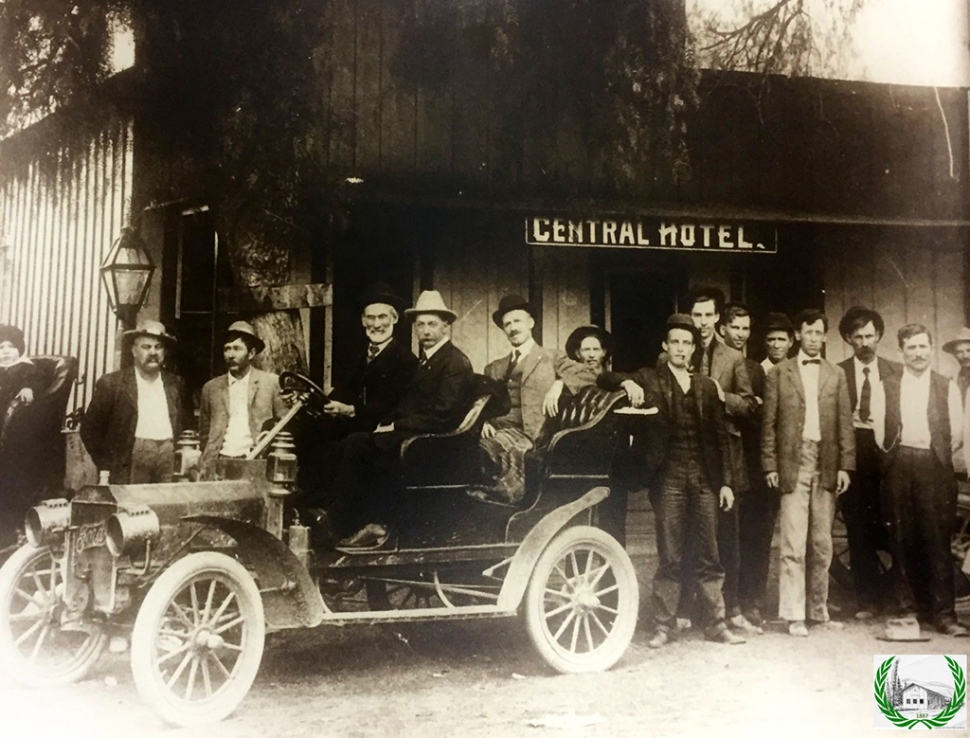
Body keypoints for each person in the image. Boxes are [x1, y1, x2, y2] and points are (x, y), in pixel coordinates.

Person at [599, 314, 744, 647]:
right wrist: (627, 383)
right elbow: (605, 377)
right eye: (675, 342)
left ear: (694, 348)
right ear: (665, 346)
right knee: (670, 554)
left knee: (710, 552)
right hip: (669, 478)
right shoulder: (649, 378)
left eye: (687, 343)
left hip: (705, 478)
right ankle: (664, 625)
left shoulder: (707, 386)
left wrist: (724, 483)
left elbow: (720, 438)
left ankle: (716, 623)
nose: (681, 348)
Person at [326, 290, 474, 547]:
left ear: (446, 326)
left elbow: (444, 415)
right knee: (353, 440)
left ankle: (350, 525)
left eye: (432, 324)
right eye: (420, 324)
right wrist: (388, 421)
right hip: (419, 436)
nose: (425, 330)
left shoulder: (454, 362)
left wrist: (396, 425)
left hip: (435, 445)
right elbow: (408, 404)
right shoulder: (427, 361)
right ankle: (355, 520)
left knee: (357, 445)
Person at [761, 308, 855, 637]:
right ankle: (793, 613)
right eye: (809, 332)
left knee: (821, 542)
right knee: (792, 541)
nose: (814, 338)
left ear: (824, 336)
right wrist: (770, 464)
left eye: (819, 333)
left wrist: (846, 465)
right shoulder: (779, 373)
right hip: (793, 461)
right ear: (798, 335)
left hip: (826, 462)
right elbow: (768, 425)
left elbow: (845, 423)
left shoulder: (835, 374)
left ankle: (818, 609)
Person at [881, 324, 968, 637]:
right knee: (902, 539)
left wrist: (933, 456)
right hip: (900, 462)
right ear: (902, 352)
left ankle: (944, 614)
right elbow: (881, 432)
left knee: (937, 538)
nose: (917, 353)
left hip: (934, 465)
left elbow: (955, 434)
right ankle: (908, 611)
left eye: (922, 347)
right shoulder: (888, 385)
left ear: (931, 349)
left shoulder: (946, 386)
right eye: (911, 348)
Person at [681, 287, 758, 635]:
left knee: (729, 536)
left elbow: (747, 405)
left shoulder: (733, 357)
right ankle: (688, 608)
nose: (702, 323)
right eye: (696, 316)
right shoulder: (677, 351)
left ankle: (732, 608)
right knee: (689, 534)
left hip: (726, 456)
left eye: (708, 315)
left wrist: (717, 393)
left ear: (718, 319)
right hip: (688, 456)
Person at [299, 284, 419, 502]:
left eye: (382, 317)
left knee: (346, 446)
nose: (376, 324)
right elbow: (343, 391)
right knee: (304, 429)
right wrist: (321, 402)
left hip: (382, 430)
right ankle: (303, 501)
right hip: (356, 424)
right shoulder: (359, 356)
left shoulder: (406, 360)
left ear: (394, 319)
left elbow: (395, 407)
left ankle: (331, 510)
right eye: (370, 318)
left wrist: (352, 410)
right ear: (363, 321)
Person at [479, 295, 594, 504]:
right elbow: (482, 400)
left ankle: (501, 496)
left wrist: (559, 382)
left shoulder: (552, 357)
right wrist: (484, 421)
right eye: (507, 324)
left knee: (485, 450)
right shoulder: (495, 367)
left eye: (517, 321)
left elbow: (589, 375)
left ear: (530, 323)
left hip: (531, 433)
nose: (512, 328)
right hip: (497, 429)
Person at [836, 307, 901, 620]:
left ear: (879, 337)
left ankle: (896, 596)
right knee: (857, 526)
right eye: (858, 336)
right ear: (849, 339)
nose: (865, 342)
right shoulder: (837, 372)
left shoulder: (895, 372)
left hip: (887, 453)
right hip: (853, 454)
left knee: (894, 523)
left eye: (870, 336)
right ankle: (867, 600)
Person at [81, 320, 186, 484]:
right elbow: (90, 430)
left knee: (165, 505)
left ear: (164, 352)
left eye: (158, 347)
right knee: (133, 507)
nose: (153, 352)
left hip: (167, 457)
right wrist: (107, 465)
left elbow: (184, 423)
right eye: (146, 347)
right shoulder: (113, 383)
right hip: (130, 458)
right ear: (134, 351)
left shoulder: (175, 383)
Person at [719, 304, 771, 630]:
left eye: (745, 328)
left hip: (753, 456)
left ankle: (752, 600)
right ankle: (722, 602)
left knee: (756, 533)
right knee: (727, 534)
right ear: (723, 328)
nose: (740, 334)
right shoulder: (715, 362)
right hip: (727, 455)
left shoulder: (755, 369)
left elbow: (761, 415)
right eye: (735, 327)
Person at [198, 321, 286, 477]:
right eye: (227, 349)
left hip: (255, 462)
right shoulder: (211, 388)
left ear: (251, 353)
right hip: (219, 464)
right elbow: (204, 432)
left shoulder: (271, 383)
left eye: (237, 349)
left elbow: (283, 426)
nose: (231, 355)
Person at [0, 324, 45, 546]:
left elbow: (36, 380)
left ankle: (10, 531)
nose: (6, 352)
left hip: (15, 429)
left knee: (10, 483)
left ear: (20, 348)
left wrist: (29, 388)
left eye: (10, 347)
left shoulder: (26, 368)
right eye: (1, 347)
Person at [942, 327, 970, 405]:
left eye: (969, 350)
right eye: (959, 352)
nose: (965, 356)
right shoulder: (951, 382)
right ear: (954, 355)